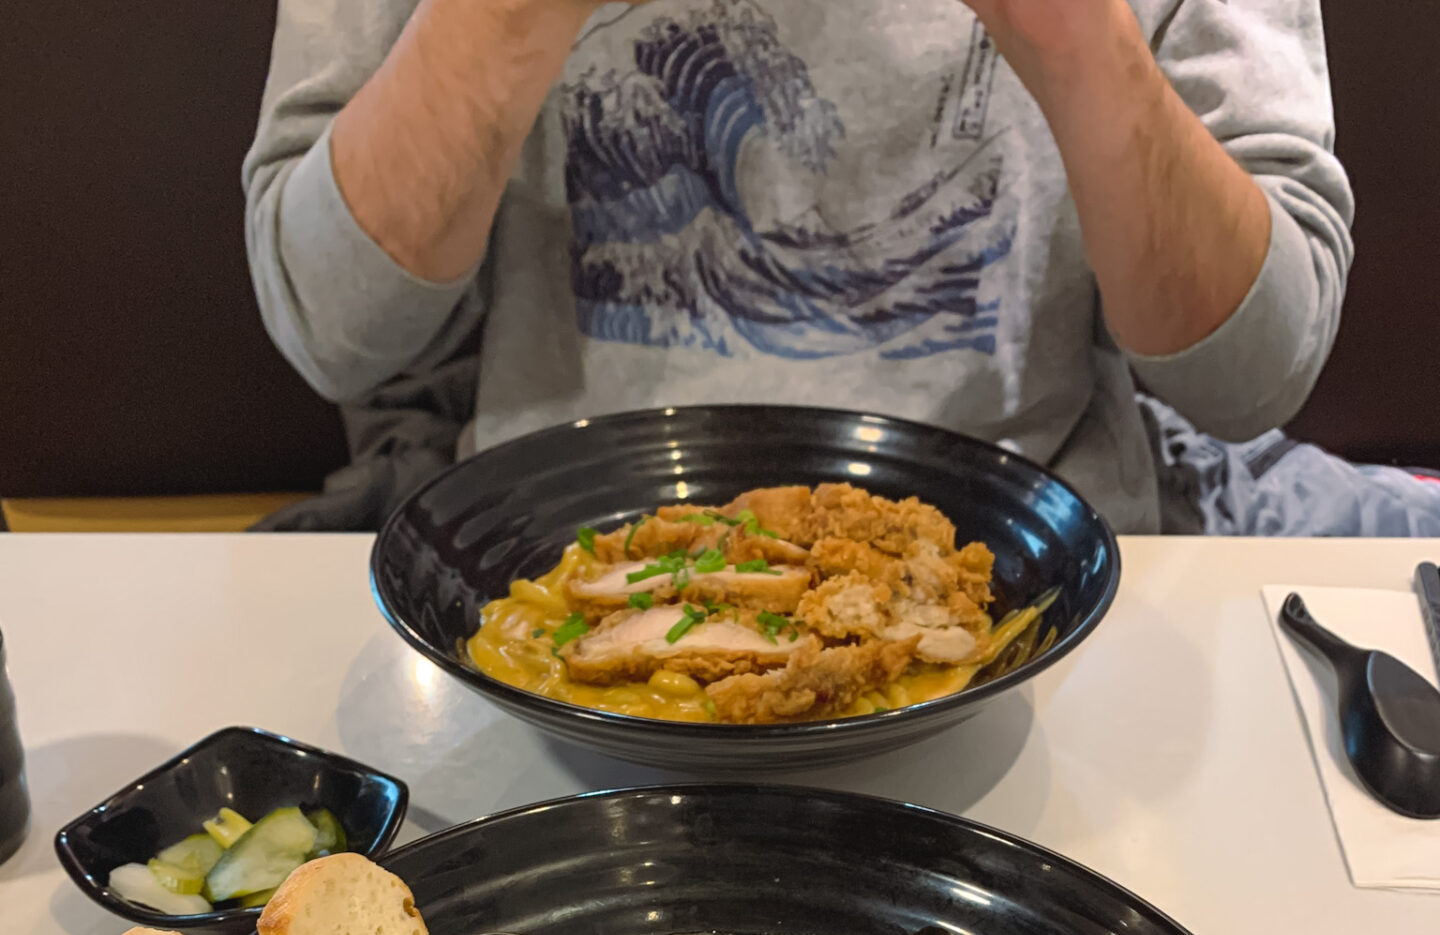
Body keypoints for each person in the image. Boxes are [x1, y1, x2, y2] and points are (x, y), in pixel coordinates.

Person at [241, 0, 1439, 535]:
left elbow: (1255, 373)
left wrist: (1079, 38)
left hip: (1031, 575)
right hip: (548, 581)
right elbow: (331, 327)